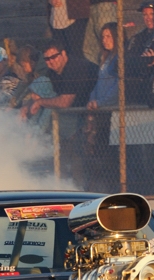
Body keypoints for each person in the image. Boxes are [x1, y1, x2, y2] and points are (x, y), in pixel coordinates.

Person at [21, 40, 97, 185]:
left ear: (63, 54)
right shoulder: (53, 73)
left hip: (97, 115)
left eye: (54, 57)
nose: (51, 61)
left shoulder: (74, 68)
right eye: (47, 59)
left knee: (82, 162)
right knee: (66, 161)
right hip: (77, 119)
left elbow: (64, 102)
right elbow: (41, 94)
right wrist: (27, 106)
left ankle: (84, 189)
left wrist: (40, 102)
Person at [86, 22, 120, 192]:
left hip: (112, 112)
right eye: (103, 37)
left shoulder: (119, 58)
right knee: (100, 151)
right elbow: (98, 85)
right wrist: (92, 100)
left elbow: (117, 88)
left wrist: (101, 103)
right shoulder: (104, 59)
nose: (105, 40)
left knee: (111, 155)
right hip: (101, 112)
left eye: (109, 36)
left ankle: (115, 188)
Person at [126, 0, 154, 104]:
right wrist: (144, 61)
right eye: (145, 14)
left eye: (152, 14)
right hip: (137, 87)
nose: (148, 18)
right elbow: (128, 61)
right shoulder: (138, 37)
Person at [84, 0, 118, 64]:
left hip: (106, 4)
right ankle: (102, 68)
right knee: (88, 49)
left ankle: (111, 68)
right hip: (92, 5)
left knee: (109, 43)